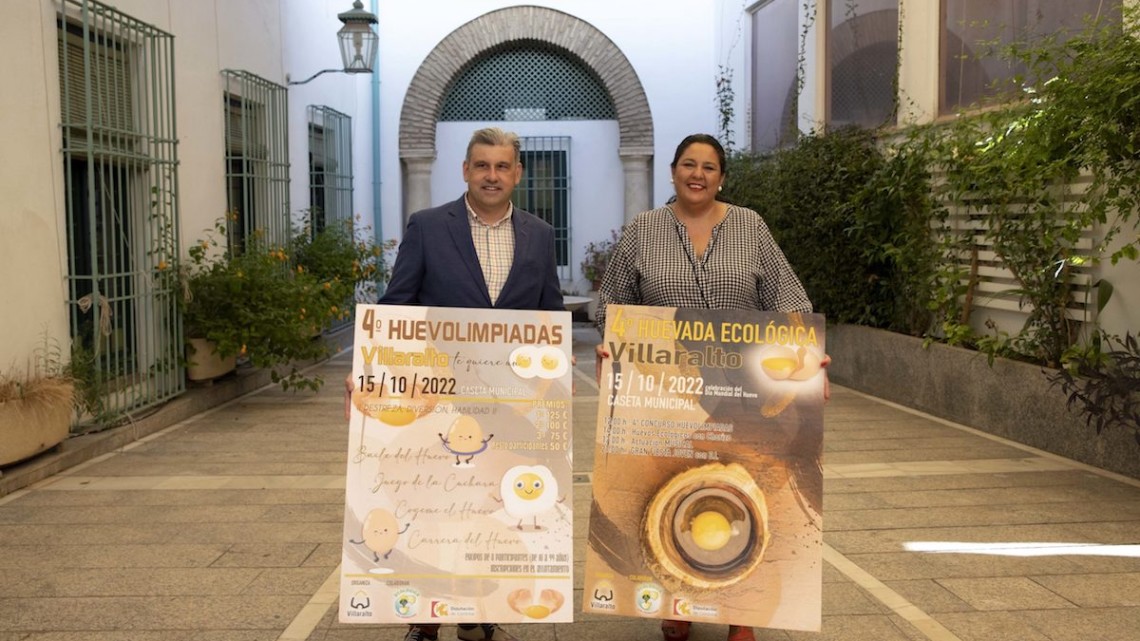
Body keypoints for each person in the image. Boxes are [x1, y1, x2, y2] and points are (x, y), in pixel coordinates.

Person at [593, 133, 829, 641]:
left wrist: (811, 360)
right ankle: (677, 603)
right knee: (674, 487)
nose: (697, 174)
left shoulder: (750, 226)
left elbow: (792, 301)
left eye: (709, 167)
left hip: (743, 386)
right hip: (667, 386)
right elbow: (607, 303)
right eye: (688, 164)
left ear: (722, 177)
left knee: (740, 489)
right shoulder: (644, 231)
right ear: (673, 171)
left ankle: (741, 612)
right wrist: (612, 345)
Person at [365, 127, 563, 641]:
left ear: (517, 173)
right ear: (465, 170)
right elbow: (397, 305)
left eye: (501, 167)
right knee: (435, 505)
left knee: (492, 504)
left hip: (509, 402)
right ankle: (425, 618)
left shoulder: (540, 235)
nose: (492, 176)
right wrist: (369, 367)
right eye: (482, 166)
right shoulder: (429, 227)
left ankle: (479, 609)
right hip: (439, 399)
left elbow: (549, 318)